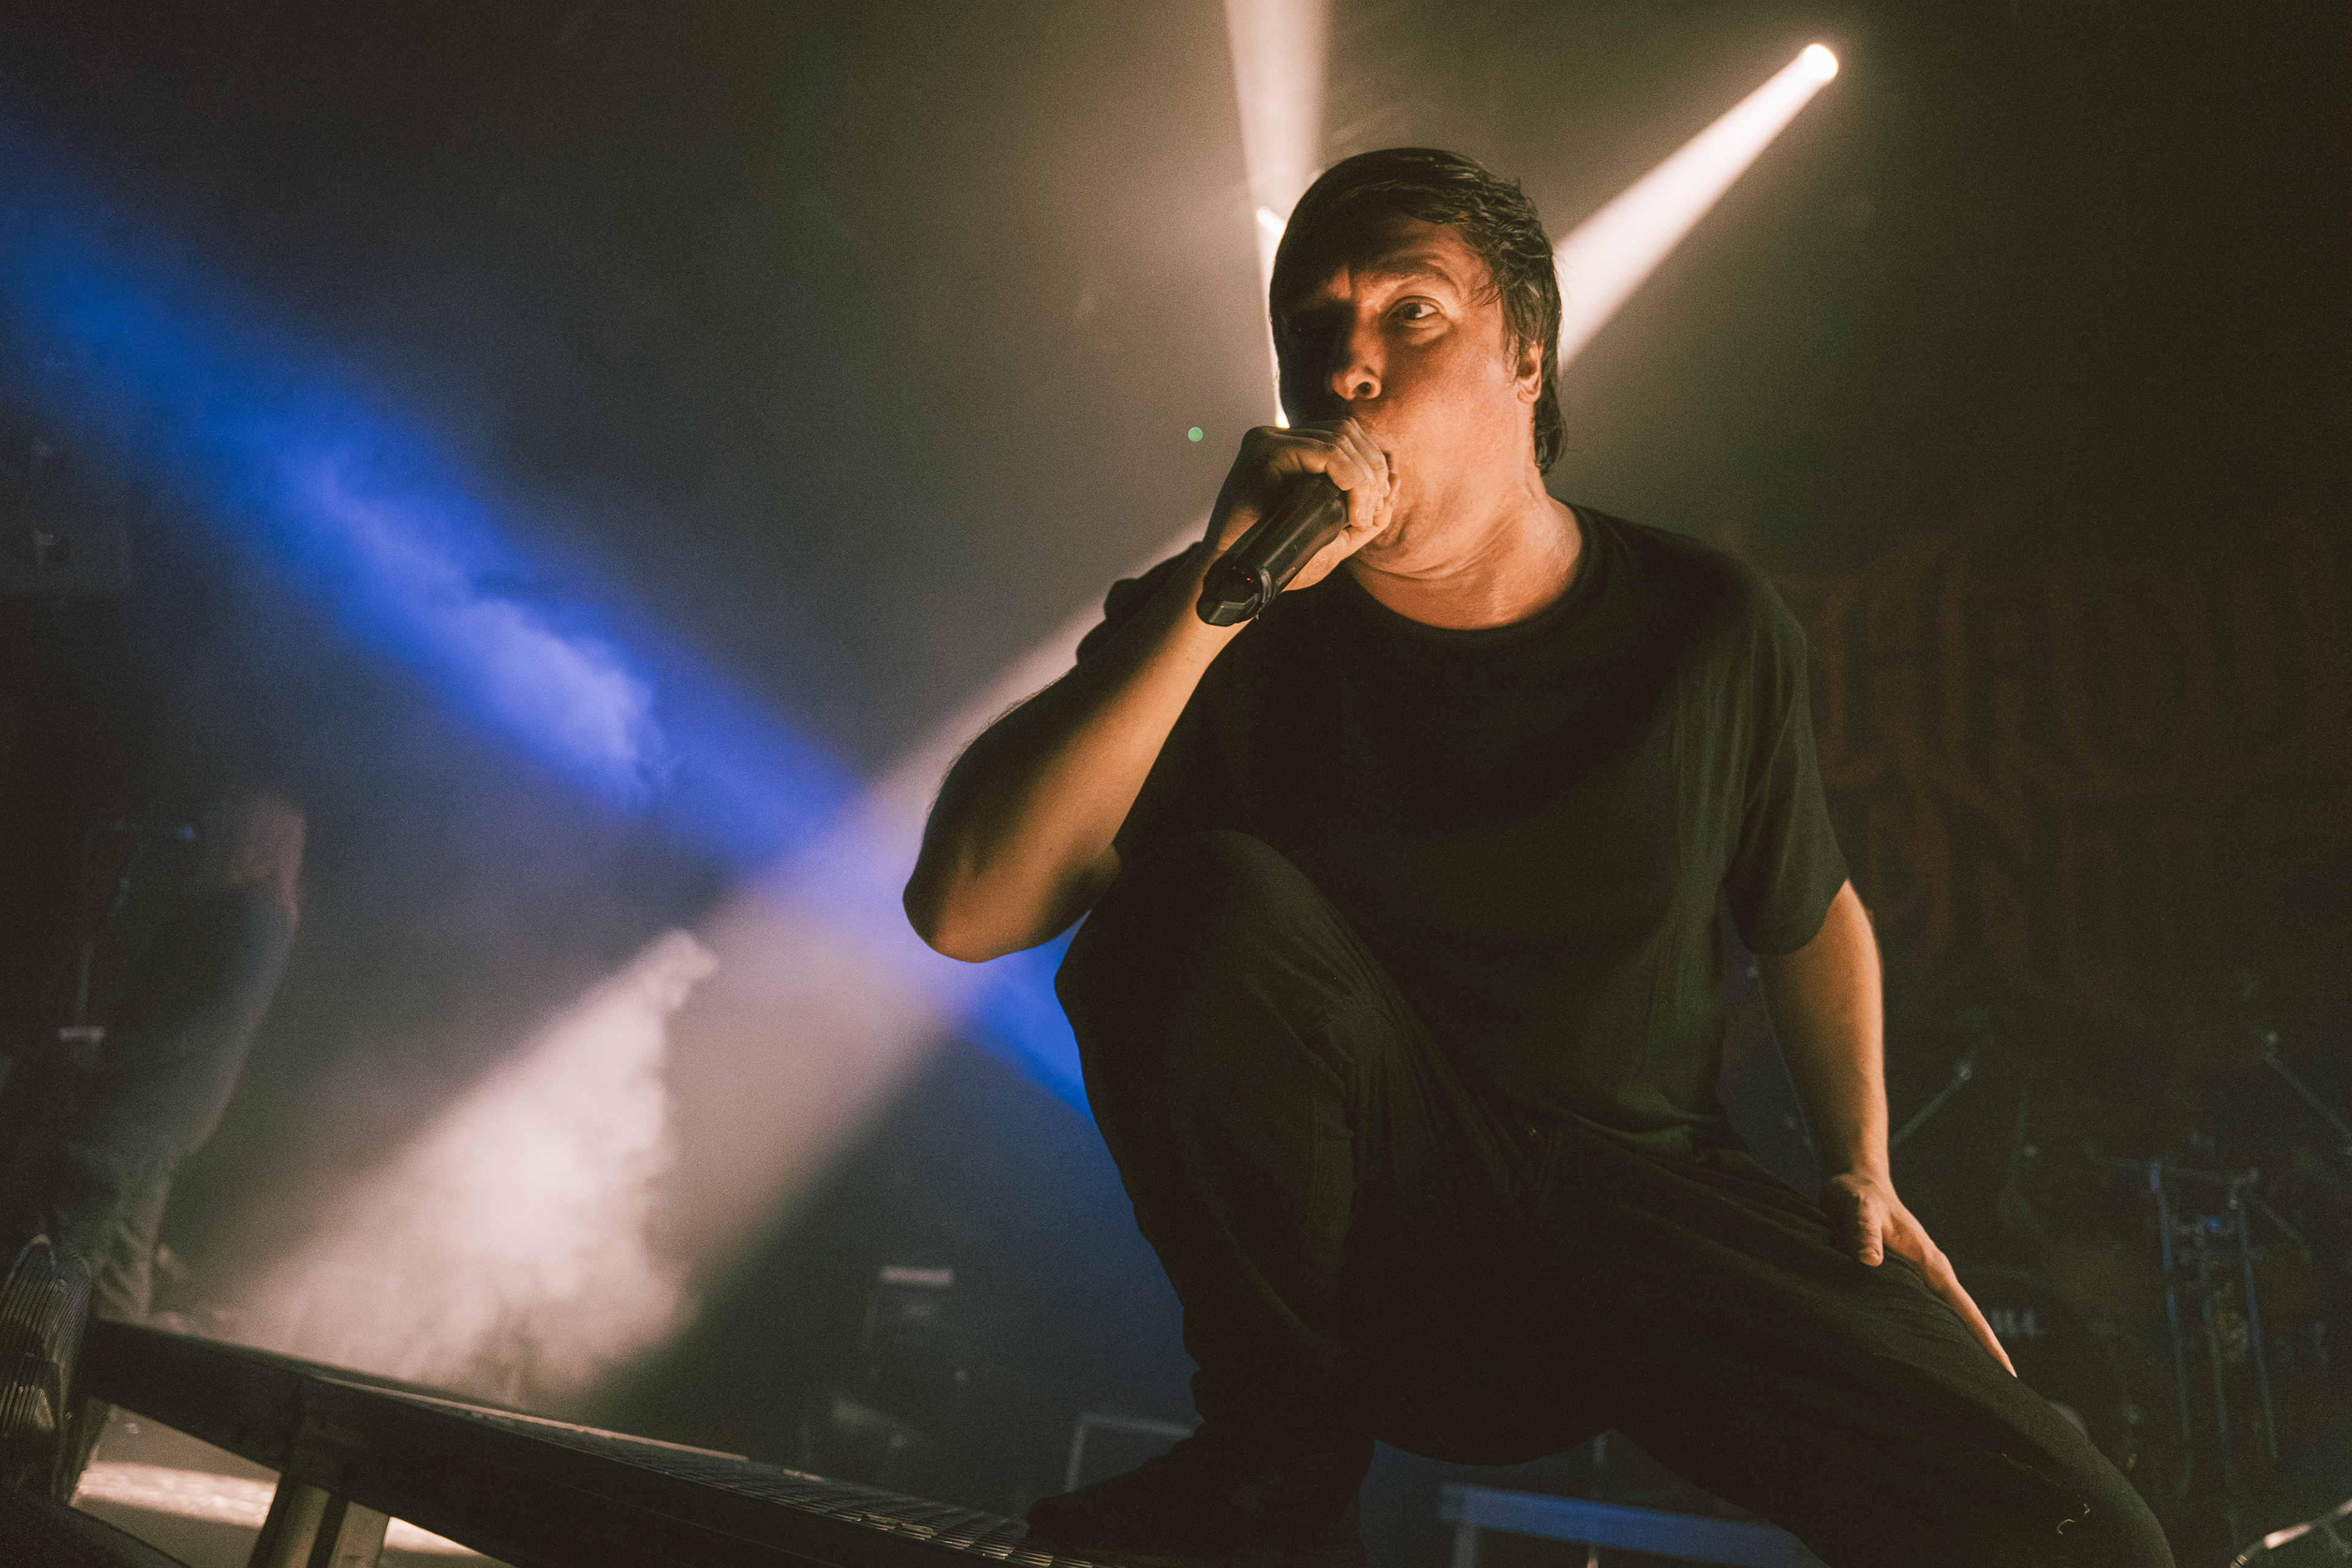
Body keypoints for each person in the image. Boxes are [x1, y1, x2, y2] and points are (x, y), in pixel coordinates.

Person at [904, 148, 2169, 1568]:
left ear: (1528, 357)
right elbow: (964, 908)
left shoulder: (1702, 626)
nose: (1348, 364)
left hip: (1650, 1209)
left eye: (1410, 313)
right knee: (1196, 904)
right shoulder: (1217, 624)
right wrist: (1207, 603)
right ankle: (1273, 1469)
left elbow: (1810, 910)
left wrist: (1860, 1163)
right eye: (1312, 326)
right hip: (1384, 1231)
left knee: (2080, 1533)